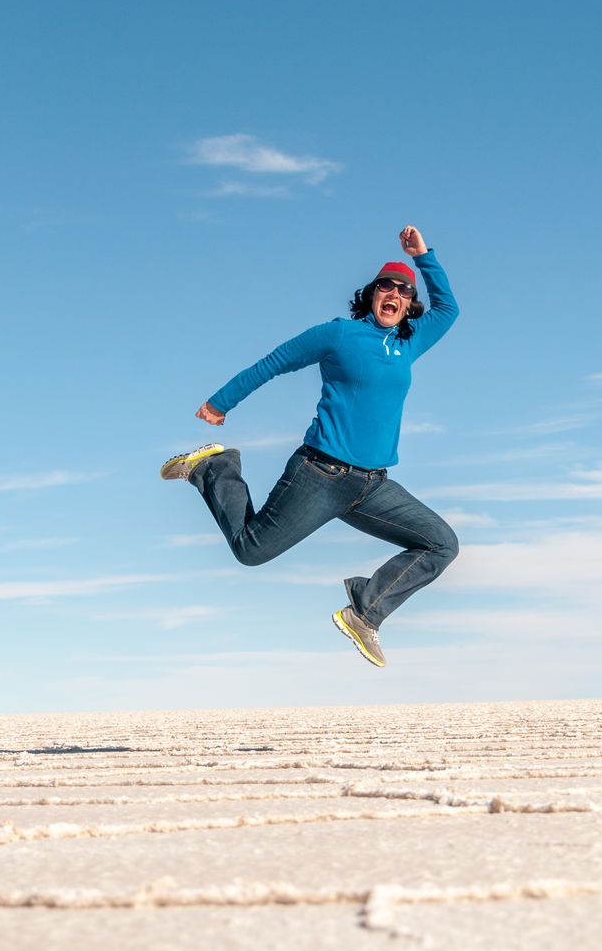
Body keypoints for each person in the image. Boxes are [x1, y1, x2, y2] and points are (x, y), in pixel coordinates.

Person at [161, 225, 459, 667]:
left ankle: (365, 612)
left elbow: (449, 309)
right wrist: (221, 402)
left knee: (441, 544)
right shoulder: (339, 334)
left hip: (372, 486)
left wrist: (423, 256)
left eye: (403, 289)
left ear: (409, 303)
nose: (393, 293)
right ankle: (214, 468)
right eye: (385, 286)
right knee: (250, 551)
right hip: (320, 474)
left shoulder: (407, 344)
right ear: (371, 295)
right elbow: (276, 361)